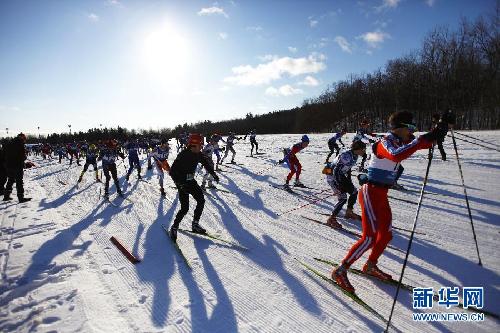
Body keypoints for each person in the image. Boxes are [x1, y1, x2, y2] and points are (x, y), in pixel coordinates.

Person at [331, 111, 450, 293]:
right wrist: (421, 140)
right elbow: (396, 155)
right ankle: (341, 270)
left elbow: (423, 143)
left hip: (382, 195)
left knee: (386, 235)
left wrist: (439, 131)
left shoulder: (402, 140)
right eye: (410, 128)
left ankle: (370, 265)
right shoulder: (384, 142)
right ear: (400, 127)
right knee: (369, 237)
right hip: (370, 193)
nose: (412, 132)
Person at [168, 133, 219, 241]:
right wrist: (180, 184)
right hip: (182, 183)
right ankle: (174, 227)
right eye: (200, 145)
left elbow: (205, 163)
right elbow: (172, 172)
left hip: (191, 181)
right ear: (193, 145)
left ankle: (195, 224)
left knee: (201, 200)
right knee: (185, 208)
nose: (201, 147)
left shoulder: (198, 154)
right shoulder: (183, 155)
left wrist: (213, 174)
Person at [323, 140, 366, 229]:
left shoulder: (355, 156)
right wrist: (339, 185)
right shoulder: (346, 156)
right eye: (363, 149)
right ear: (358, 149)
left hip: (340, 175)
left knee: (354, 192)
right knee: (343, 198)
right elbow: (336, 170)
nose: (364, 151)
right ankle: (331, 218)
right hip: (332, 176)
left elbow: (348, 168)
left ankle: (349, 212)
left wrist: (348, 181)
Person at [3, 133, 31, 202]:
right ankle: (21, 197)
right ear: (22, 138)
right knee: (19, 181)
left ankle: (6, 196)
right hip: (17, 165)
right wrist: (25, 158)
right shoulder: (20, 144)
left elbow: (4, 153)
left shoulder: (9, 143)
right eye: (24, 139)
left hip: (8, 165)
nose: (24, 140)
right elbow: (23, 157)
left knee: (10, 180)